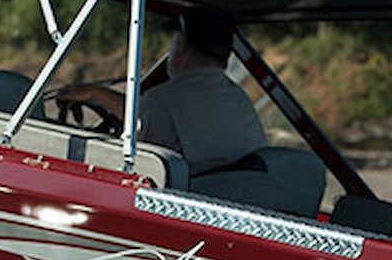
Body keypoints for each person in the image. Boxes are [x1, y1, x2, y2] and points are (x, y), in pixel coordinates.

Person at [58, 9, 266, 174]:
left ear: (182, 45)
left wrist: (95, 93)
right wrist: (96, 93)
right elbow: (141, 114)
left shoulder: (165, 99)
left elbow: (133, 163)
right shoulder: (240, 101)